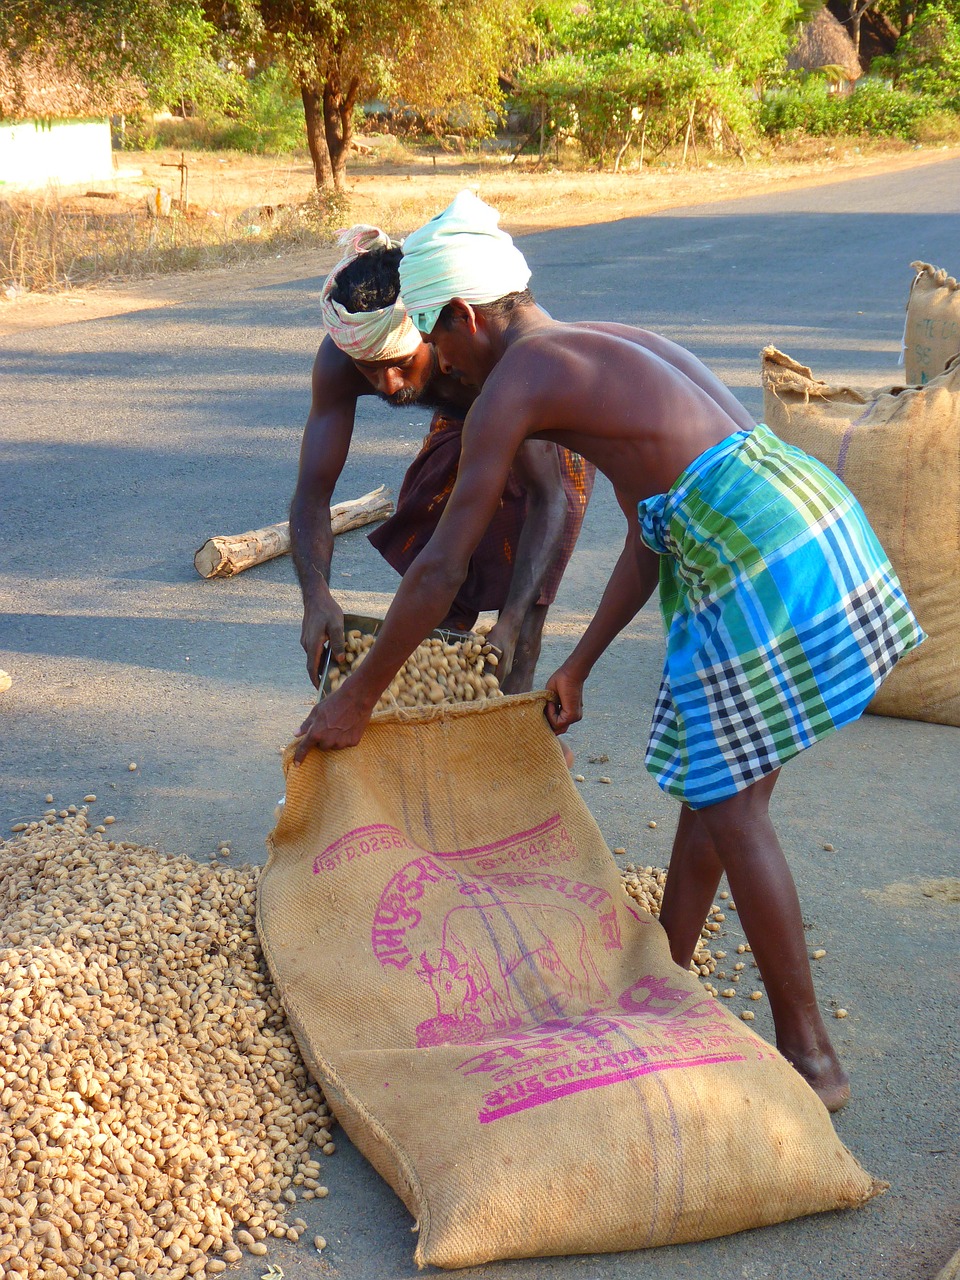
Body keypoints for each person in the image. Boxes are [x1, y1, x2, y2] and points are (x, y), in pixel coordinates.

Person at [293, 191, 924, 1112]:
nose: (442, 369)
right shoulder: (602, 343)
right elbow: (649, 530)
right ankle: (666, 972)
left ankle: (812, 1060)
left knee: (733, 805)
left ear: (463, 316)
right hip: (802, 514)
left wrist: (356, 701)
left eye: (436, 337)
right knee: (718, 784)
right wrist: (579, 662)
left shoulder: (513, 382)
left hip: (755, 548)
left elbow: (439, 569)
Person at [290, 224, 596, 694]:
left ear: (435, 328)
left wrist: (514, 622)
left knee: (519, 624)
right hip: (462, 420)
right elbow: (313, 492)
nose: (388, 386)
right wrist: (316, 596)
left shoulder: (499, 359)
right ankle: (439, 663)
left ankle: (521, 677)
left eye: (400, 363)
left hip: (546, 426)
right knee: (437, 533)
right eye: (368, 370)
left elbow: (549, 496)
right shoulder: (339, 359)